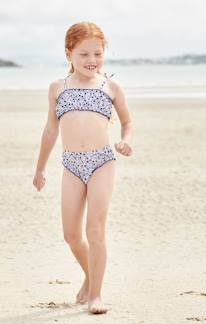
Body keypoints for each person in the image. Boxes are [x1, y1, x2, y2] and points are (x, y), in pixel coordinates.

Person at [32, 21, 134, 315]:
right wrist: (40, 169)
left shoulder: (110, 87)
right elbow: (50, 131)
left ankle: (96, 294)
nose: (92, 61)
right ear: (68, 54)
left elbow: (127, 122)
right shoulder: (57, 88)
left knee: (95, 229)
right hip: (71, 165)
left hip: (102, 162)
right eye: (84, 54)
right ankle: (90, 274)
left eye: (98, 54)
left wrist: (127, 141)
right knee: (71, 235)